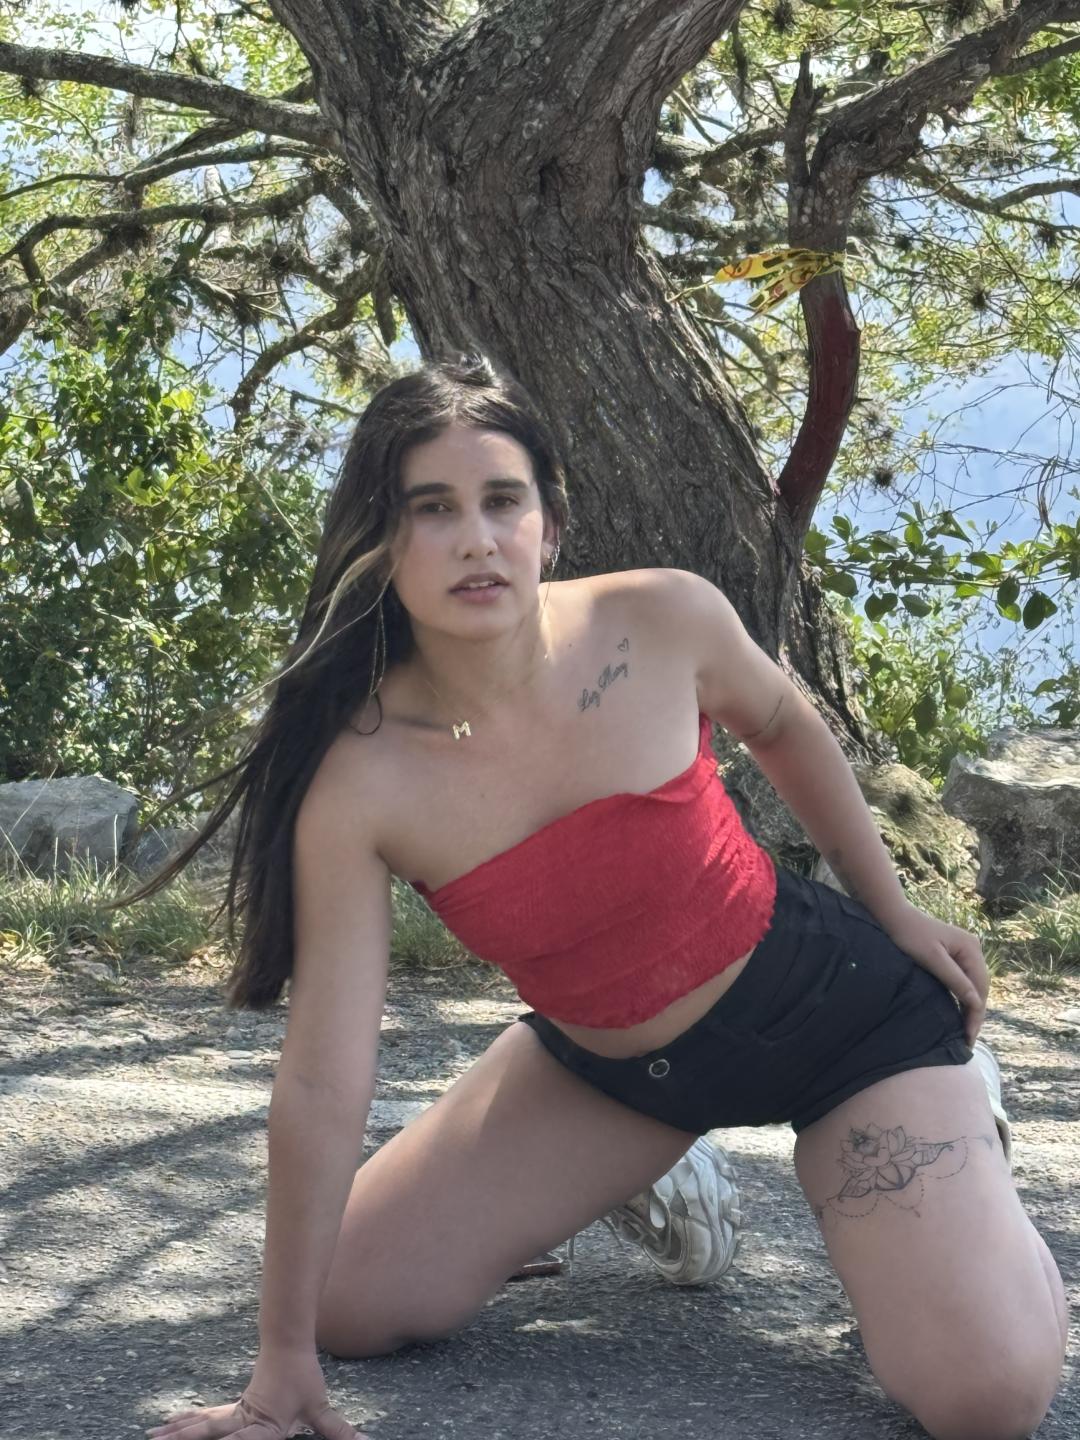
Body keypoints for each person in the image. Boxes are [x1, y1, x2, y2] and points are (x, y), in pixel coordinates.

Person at [136, 355, 1067, 1440]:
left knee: (984, 1402)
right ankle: (660, 1175)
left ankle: (964, 1128)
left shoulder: (659, 619)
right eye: (432, 509)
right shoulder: (361, 781)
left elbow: (783, 723)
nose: (477, 539)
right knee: (345, 1305)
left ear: (552, 525)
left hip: (845, 1031)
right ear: (380, 541)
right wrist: (281, 1360)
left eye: (503, 501)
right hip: (619, 1075)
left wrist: (895, 910)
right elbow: (322, 1073)